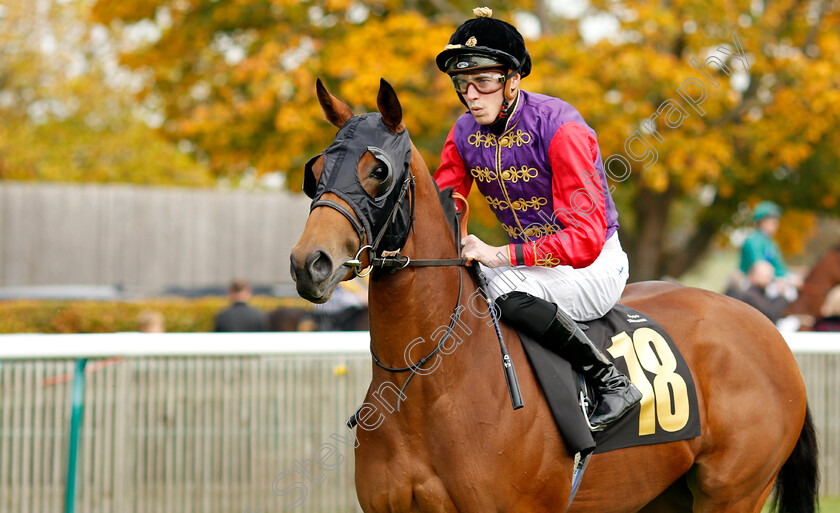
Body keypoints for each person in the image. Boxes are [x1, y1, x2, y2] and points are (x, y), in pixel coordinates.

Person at [433, 7, 641, 430]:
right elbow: (444, 204)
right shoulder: (462, 133)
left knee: (499, 286)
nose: (471, 95)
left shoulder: (561, 127)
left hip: (596, 263)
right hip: (535, 269)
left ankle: (610, 381)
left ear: (512, 81)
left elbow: (584, 241)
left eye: (483, 82)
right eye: (462, 84)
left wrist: (500, 254)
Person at [725, 260, 791, 324]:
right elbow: (770, 314)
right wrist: (782, 295)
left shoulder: (761, 293)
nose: (769, 279)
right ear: (753, 275)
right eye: (766, 276)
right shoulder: (749, 295)